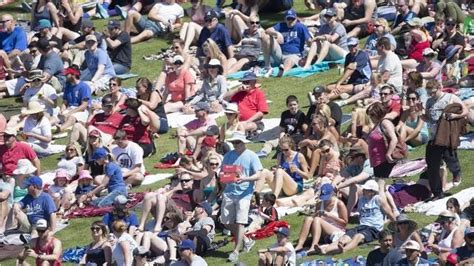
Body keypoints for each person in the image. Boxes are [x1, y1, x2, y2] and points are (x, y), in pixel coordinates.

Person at [314, 180, 395, 255]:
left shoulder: (378, 199)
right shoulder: (362, 200)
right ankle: (325, 250)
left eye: (365, 189)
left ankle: (344, 250)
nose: (363, 190)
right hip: (362, 226)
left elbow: (390, 213)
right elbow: (360, 215)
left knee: (358, 236)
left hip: (374, 228)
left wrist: (396, 226)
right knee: (345, 237)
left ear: (372, 192)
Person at [221, 131, 265, 263]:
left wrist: (245, 178)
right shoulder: (228, 155)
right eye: (234, 142)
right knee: (226, 222)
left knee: (240, 221)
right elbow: (223, 172)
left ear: (244, 143)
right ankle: (246, 239)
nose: (235, 144)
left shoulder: (251, 156)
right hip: (229, 192)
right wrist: (224, 179)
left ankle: (235, 251)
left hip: (244, 194)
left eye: (238, 142)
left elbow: (259, 174)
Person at [420, 80, 467, 199]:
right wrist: (419, 112)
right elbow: (428, 119)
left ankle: (456, 173)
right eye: (429, 93)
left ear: (440, 88)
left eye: (433, 93)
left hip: (446, 135)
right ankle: (437, 193)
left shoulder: (451, 97)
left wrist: (455, 116)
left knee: (450, 158)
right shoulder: (429, 102)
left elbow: (465, 110)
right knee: (432, 166)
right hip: (434, 137)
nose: (431, 95)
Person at [294, 183, 348, 254]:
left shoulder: (339, 204)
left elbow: (345, 223)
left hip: (336, 231)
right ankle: (300, 245)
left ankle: (313, 246)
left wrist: (329, 215)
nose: (325, 199)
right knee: (309, 219)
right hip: (322, 231)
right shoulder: (319, 204)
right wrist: (316, 215)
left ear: (332, 193)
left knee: (317, 219)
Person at [262, 9, 311, 77]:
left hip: (294, 54)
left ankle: (282, 73)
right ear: (285, 19)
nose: (290, 21)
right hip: (280, 54)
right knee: (266, 37)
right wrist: (277, 33)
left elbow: (309, 41)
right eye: (288, 19)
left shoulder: (301, 27)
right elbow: (267, 30)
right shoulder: (281, 25)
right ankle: (267, 66)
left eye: (292, 19)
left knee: (290, 60)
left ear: (296, 19)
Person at [366, 102, 399, 179]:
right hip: (377, 161)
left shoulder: (385, 123)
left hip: (384, 161)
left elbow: (394, 139)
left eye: (372, 115)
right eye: (369, 115)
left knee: (381, 184)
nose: (370, 117)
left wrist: (388, 154)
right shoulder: (377, 124)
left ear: (378, 113)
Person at [58, 66, 92, 133]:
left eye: (67, 74)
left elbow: (84, 106)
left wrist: (69, 113)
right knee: (56, 116)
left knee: (71, 118)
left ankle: (61, 128)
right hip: (70, 109)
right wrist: (62, 110)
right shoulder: (68, 86)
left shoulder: (84, 87)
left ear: (73, 75)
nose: (65, 76)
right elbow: (65, 102)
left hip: (82, 111)